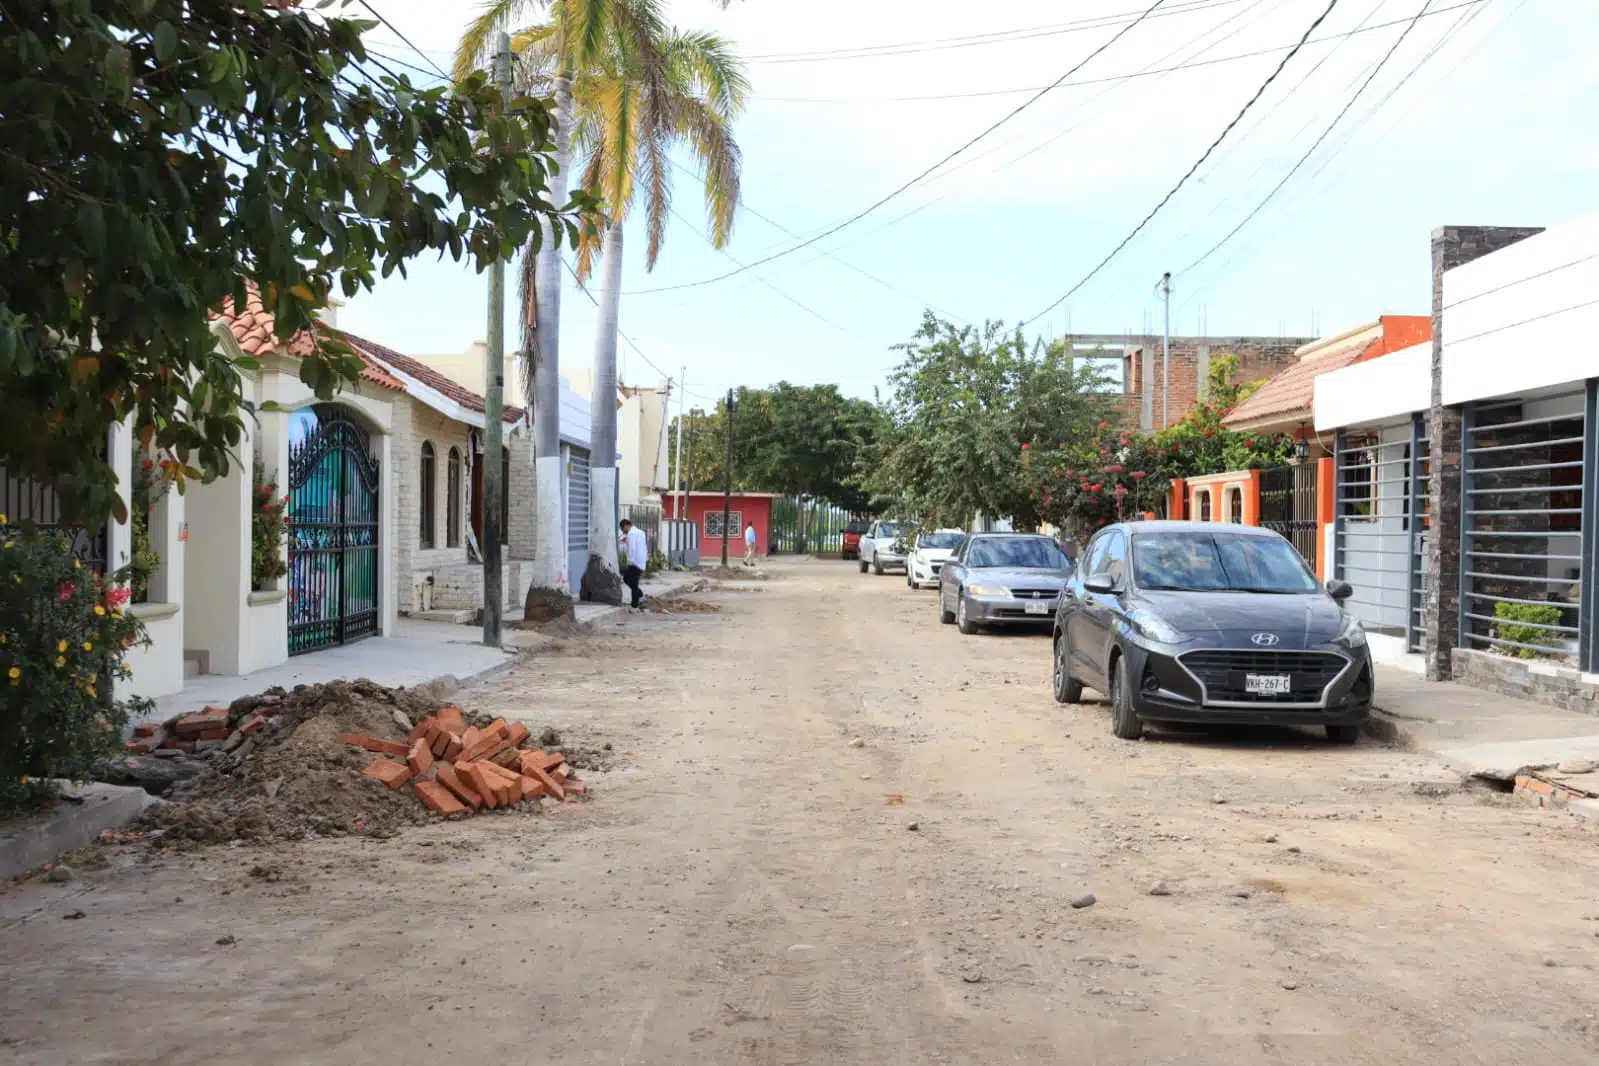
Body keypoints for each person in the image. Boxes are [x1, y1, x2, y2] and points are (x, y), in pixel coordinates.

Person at [618, 518, 647, 609]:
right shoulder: (641, 532)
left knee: (633, 584)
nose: (623, 531)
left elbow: (632, 549)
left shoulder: (631, 533)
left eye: (623, 529)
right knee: (627, 579)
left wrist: (630, 561)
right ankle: (641, 596)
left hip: (634, 562)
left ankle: (635, 604)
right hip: (641, 561)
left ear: (626, 526)